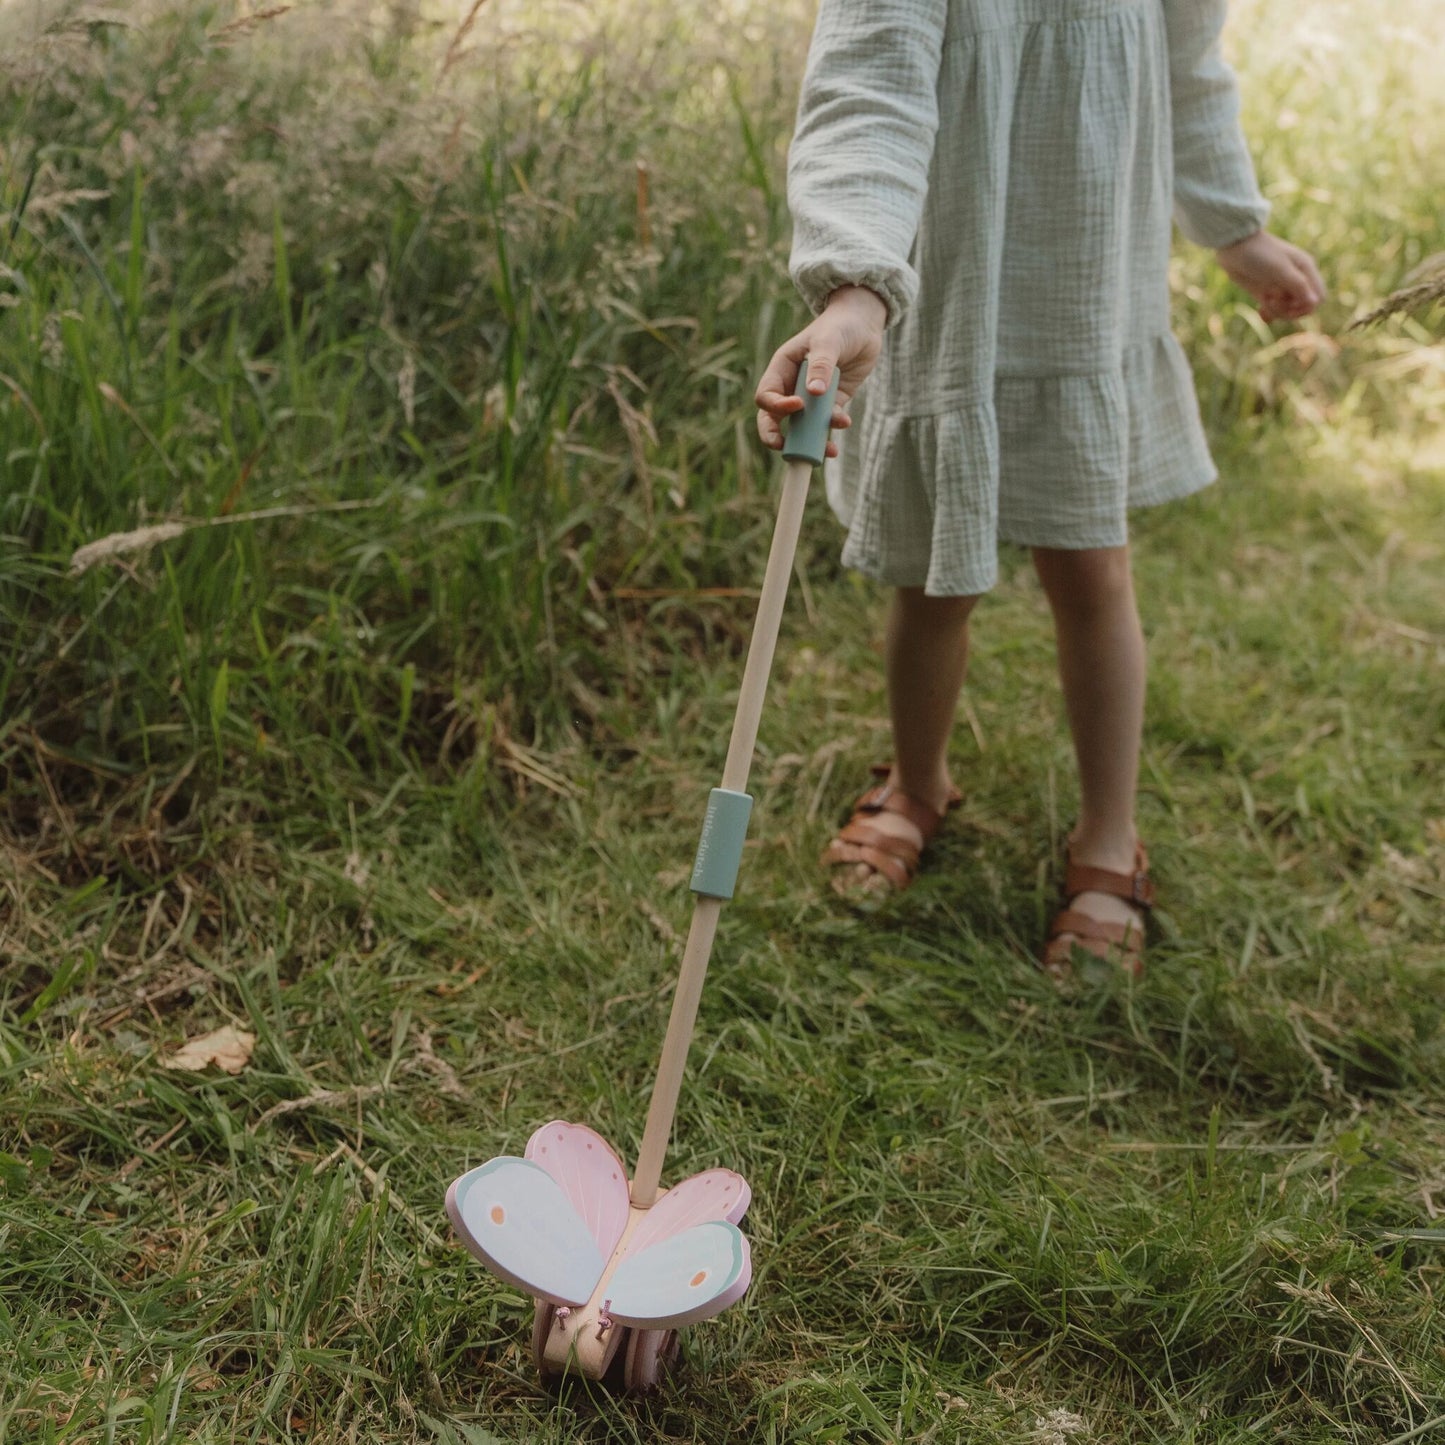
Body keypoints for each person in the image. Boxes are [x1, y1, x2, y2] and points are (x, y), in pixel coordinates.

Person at [755, 0, 1324, 975]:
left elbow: (1188, 67)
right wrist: (854, 285)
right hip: (948, 284)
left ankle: (1108, 834)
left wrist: (1233, 227)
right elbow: (868, 88)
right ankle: (918, 783)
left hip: (1084, 284)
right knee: (932, 577)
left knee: (1091, 571)